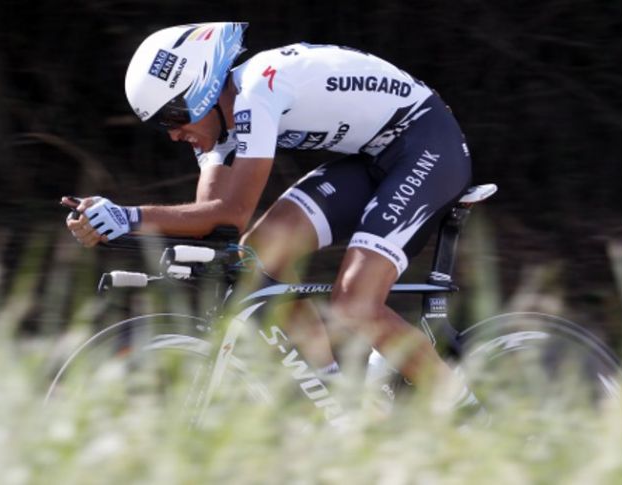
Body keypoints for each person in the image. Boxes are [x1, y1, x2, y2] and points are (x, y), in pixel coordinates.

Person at [65, 22, 477, 410]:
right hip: (375, 157)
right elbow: (216, 229)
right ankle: (337, 406)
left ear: (203, 88)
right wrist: (113, 228)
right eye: (160, 125)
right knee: (258, 260)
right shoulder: (216, 128)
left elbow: (232, 213)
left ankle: (466, 413)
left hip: (427, 146)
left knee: (354, 301)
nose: (173, 134)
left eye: (173, 117)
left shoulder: (257, 91)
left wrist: (128, 216)